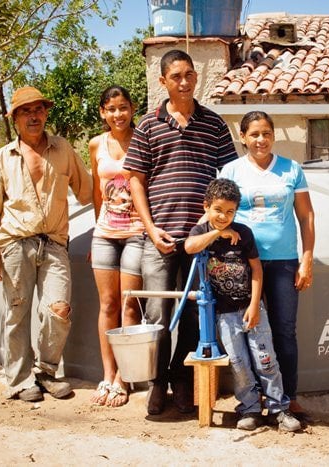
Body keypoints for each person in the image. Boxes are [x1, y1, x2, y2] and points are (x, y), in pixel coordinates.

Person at [123, 49, 238, 415]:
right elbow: (136, 182)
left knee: (193, 315)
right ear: (163, 82)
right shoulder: (147, 125)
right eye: (176, 76)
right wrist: (150, 227)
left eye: (189, 74)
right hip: (158, 238)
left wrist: (219, 226)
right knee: (157, 314)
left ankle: (181, 380)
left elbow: (230, 178)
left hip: (200, 242)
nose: (185, 82)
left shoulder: (214, 124)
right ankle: (156, 385)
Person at [0, 86, 93, 402]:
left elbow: (88, 191)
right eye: (26, 111)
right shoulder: (3, 157)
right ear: (14, 118)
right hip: (15, 243)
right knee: (17, 313)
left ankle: (46, 371)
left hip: (54, 243)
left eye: (39, 109)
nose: (34, 116)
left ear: (46, 113)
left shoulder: (64, 149)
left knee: (59, 309)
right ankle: (18, 380)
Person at [185, 179, 302, 432]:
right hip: (225, 314)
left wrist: (254, 305)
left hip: (251, 308)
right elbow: (189, 247)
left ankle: (278, 408)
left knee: (265, 359)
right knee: (238, 364)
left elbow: (257, 269)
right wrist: (218, 232)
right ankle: (249, 409)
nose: (224, 216)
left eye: (230, 212)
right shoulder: (201, 234)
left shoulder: (244, 233)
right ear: (206, 207)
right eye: (218, 210)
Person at [219, 111, 315, 416]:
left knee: (285, 330)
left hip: (285, 261)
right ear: (244, 137)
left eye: (267, 133)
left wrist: (308, 258)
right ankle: (256, 397)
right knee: (250, 330)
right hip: (244, 265)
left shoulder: (291, 169)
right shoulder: (231, 171)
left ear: (273, 136)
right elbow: (218, 212)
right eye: (254, 134)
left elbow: (306, 215)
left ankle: (288, 395)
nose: (261, 140)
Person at [88, 86, 144, 407]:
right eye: (111, 109)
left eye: (123, 107)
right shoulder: (97, 144)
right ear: (102, 112)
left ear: (132, 108)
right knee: (107, 305)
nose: (118, 114)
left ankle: (124, 377)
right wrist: (97, 229)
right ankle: (107, 375)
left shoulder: (144, 138)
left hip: (136, 232)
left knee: (128, 306)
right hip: (105, 234)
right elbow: (98, 192)